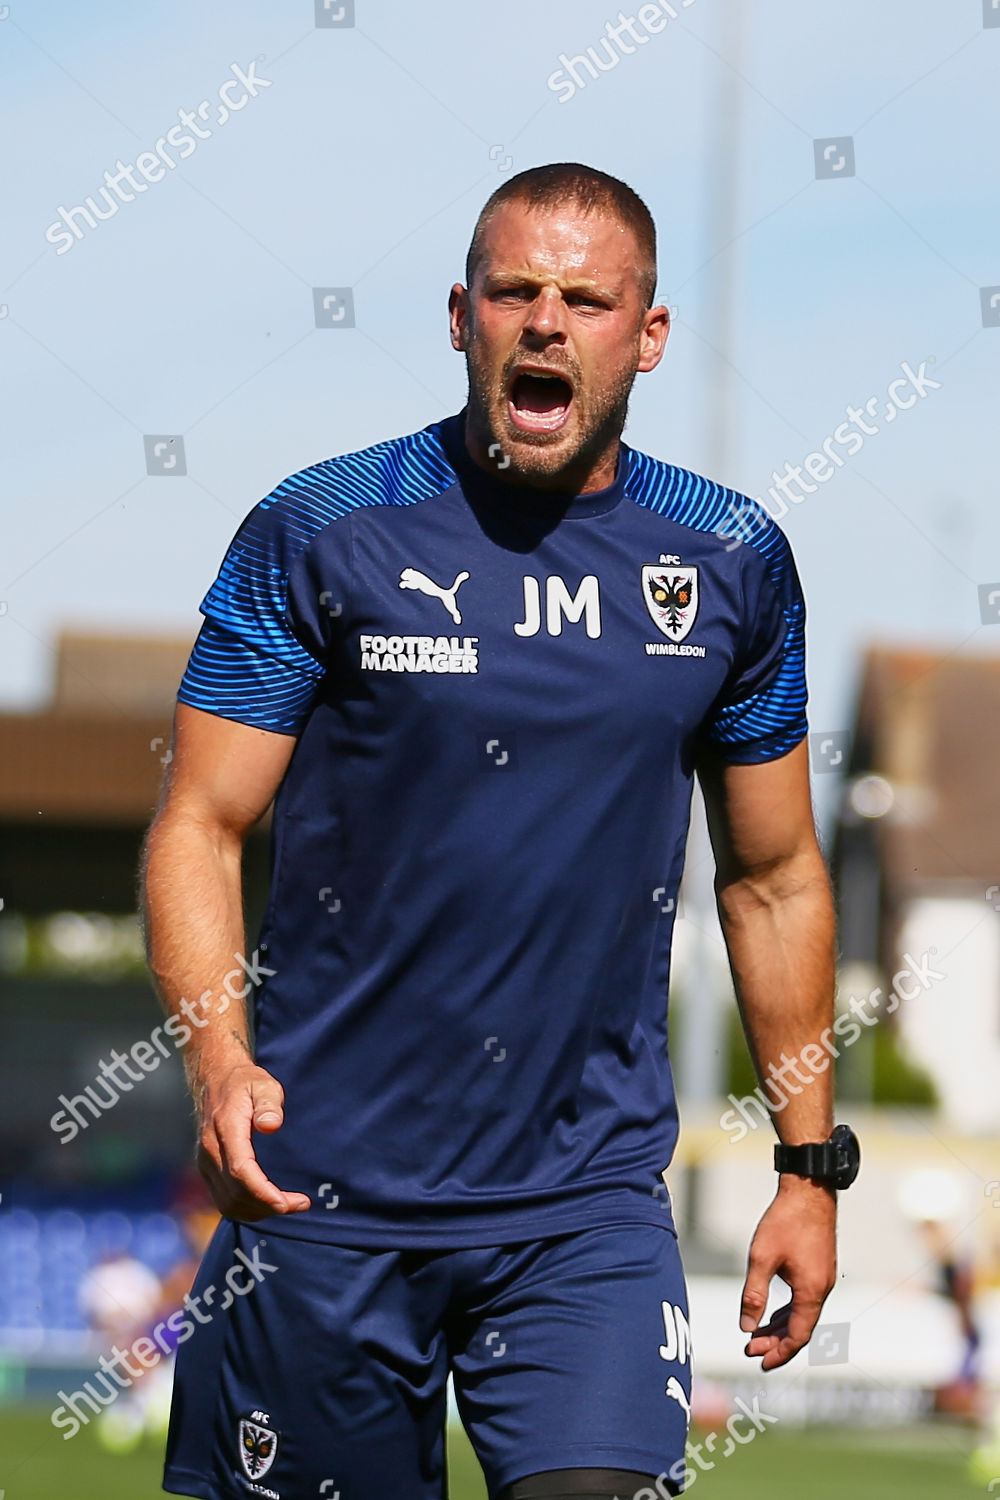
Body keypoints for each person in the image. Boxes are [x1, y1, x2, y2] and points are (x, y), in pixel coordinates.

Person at [142, 162, 842, 1500]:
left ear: (646, 336)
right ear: (460, 316)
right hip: (320, 1196)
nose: (545, 321)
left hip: (582, 1210)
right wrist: (219, 1060)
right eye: (514, 290)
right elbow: (199, 822)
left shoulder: (733, 561)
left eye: (587, 298)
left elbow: (774, 875)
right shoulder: (319, 531)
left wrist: (809, 1170)